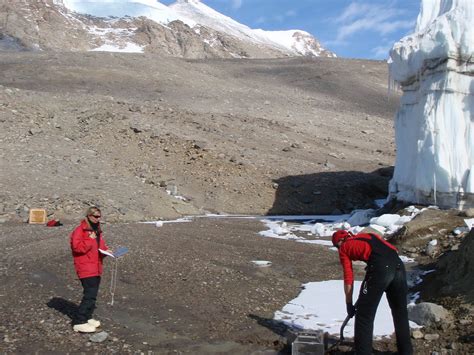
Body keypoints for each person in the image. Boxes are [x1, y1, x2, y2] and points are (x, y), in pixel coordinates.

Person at [332, 229, 413, 355]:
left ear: (340, 241)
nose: (338, 249)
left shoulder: (344, 248)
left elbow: (348, 277)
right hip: (398, 265)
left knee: (364, 314)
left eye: (337, 246)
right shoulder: (369, 235)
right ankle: (406, 352)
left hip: (380, 269)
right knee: (400, 312)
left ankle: (362, 352)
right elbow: (392, 249)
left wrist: (349, 303)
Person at [70, 206, 112, 333]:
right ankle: (79, 321)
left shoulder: (97, 229)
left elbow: (99, 246)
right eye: (95, 216)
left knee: (93, 295)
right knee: (89, 295)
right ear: (88, 216)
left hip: (96, 266)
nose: (98, 219)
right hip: (85, 267)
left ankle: (87, 317)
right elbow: (77, 248)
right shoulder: (79, 230)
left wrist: (106, 251)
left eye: (99, 216)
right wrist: (90, 239)